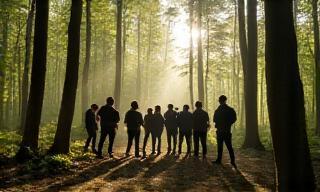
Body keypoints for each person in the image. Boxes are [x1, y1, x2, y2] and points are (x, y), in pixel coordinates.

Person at [213, 95, 237, 168]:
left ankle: (219, 160)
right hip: (226, 130)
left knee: (220, 146)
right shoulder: (230, 109)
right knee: (229, 146)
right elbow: (234, 118)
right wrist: (228, 123)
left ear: (220, 101)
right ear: (225, 100)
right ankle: (232, 161)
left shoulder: (218, 110)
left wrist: (219, 123)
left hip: (220, 130)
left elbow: (214, 119)